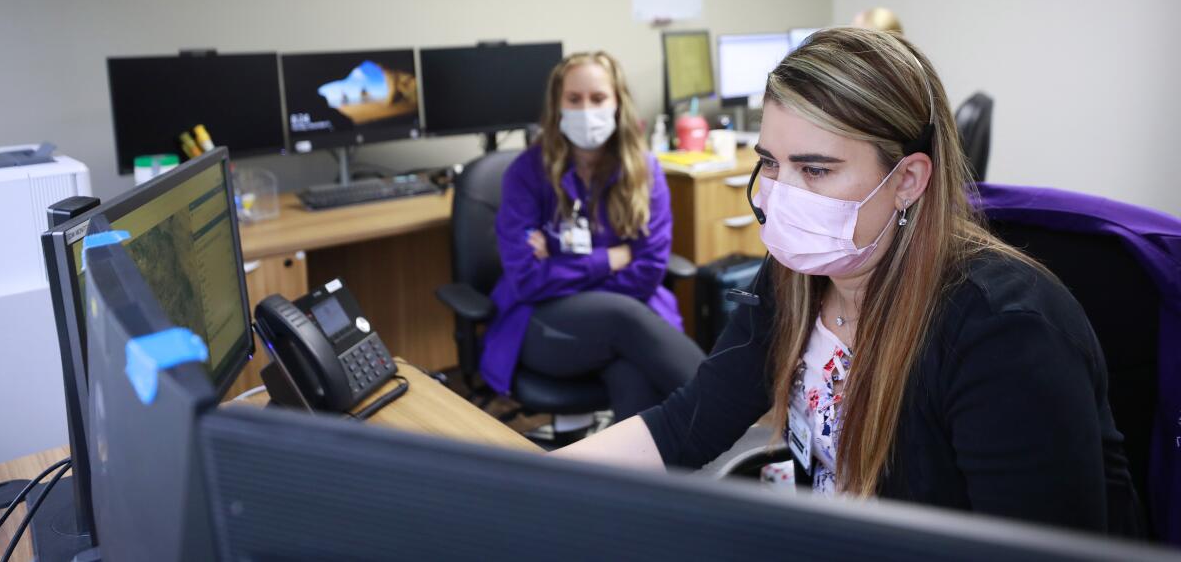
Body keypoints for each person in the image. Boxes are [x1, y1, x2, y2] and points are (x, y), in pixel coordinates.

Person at [557, 28, 1142, 536]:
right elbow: (686, 425)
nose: (780, 197)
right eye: (771, 162)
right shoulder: (796, 277)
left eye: (815, 169)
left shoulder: (1006, 332)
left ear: (908, 179)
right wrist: (524, 482)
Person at [479, 51, 705, 422]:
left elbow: (648, 269)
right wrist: (609, 258)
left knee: (631, 371)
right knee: (621, 319)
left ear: (617, 103)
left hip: (625, 320)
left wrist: (559, 265)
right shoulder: (525, 174)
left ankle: (646, 480)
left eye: (598, 98)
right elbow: (528, 280)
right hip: (545, 323)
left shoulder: (645, 172)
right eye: (574, 99)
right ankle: (736, 429)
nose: (587, 110)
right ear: (557, 106)